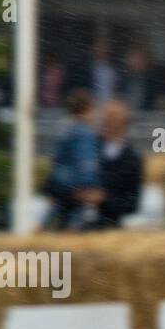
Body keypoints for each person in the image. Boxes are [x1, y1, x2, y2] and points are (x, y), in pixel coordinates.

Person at [46, 89, 104, 230]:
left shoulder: (64, 130)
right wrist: (88, 187)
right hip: (77, 190)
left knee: (53, 218)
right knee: (74, 225)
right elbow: (86, 162)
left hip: (61, 185)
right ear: (88, 109)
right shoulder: (84, 134)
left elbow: (56, 160)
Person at [97, 100, 143, 228]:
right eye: (107, 116)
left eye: (113, 117)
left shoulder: (132, 159)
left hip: (109, 227)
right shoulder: (89, 148)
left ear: (124, 122)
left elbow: (133, 204)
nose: (108, 121)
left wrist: (104, 198)